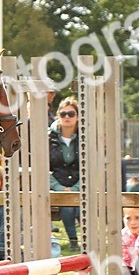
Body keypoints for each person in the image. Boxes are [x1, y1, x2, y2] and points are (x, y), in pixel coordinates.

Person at [48, 98, 80, 251]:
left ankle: (88, 240)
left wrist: (77, 188)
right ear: (58, 115)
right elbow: (43, 167)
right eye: (63, 113)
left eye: (71, 113)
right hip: (57, 186)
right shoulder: (49, 138)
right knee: (67, 206)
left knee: (81, 206)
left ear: (78, 116)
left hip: (81, 185)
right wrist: (58, 186)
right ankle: (73, 240)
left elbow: (90, 166)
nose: (67, 117)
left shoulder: (85, 138)